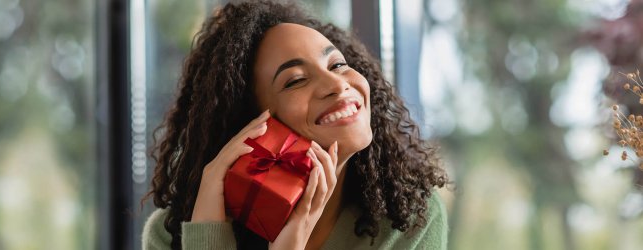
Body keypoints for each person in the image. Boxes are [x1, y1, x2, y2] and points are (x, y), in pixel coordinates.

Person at [142, 1, 449, 249]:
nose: (336, 84)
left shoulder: (407, 218)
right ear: (251, 124)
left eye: (337, 64)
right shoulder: (173, 235)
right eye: (296, 81)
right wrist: (209, 236)